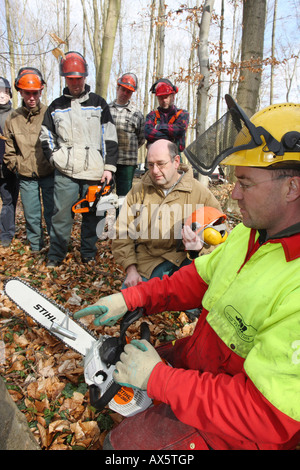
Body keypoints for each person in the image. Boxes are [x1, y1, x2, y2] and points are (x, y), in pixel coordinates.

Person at [75, 98, 300, 450]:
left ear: (292, 188)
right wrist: (131, 297)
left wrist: (161, 379)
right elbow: (198, 278)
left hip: (242, 427)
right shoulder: (251, 233)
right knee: (120, 372)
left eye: (246, 183)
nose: (235, 193)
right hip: (203, 362)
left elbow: (266, 413)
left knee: (119, 449)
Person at [40, 51, 118, 267]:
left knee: (93, 215)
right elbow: (46, 136)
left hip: (94, 171)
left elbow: (109, 137)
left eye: (79, 79)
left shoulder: (99, 104)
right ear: (65, 79)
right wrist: (55, 158)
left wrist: (108, 168)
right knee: (61, 215)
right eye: (71, 79)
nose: (75, 83)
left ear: (85, 77)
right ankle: (56, 255)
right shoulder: (56, 106)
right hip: (66, 171)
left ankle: (88, 253)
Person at [111, 138, 221, 289]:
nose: (155, 171)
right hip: (149, 262)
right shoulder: (139, 191)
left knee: (195, 306)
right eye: (150, 165)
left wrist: (200, 248)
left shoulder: (200, 193)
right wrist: (131, 269)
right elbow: (121, 233)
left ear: (176, 161)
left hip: (187, 262)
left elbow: (222, 234)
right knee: (129, 303)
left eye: (161, 164)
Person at [4, 68, 54, 252]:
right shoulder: (13, 118)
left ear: (41, 92)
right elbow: (9, 147)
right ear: (21, 92)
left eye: (35, 93)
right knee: (32, 214)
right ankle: (36, 246)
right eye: (27, 93)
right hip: (25, 174)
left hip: (48, 172)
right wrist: (15, 165)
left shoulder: (49, 113)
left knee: (52, 212)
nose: (31, 97)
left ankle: (55, 246)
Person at [109, 73, 145, 197]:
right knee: (103, 195)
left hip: (127, 162)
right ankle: (101, 217)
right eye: (123, 89)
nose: (125, 93)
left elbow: (141, 138)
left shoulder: (136, 114)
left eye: (128, 92)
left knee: (124, 197)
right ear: (118, 88)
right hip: (107, 161)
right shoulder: (106, 110)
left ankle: (122, 217)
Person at [144, 78, 189, 153]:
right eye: (161, 98)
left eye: (166, 97)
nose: (164, 100)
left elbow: (180, 129)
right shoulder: (152, 115)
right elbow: (148, 133)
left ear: (173, 96)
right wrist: (171, 139)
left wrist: (158, 127)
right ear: (157, 98)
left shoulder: (182, 114)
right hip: (155, 155)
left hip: (174, 155)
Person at [0, 77, 19, 248]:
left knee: (8, 201)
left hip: (8, 167)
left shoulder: (14, 116)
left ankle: (6, 234)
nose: (1, 95)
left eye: (4, 91)